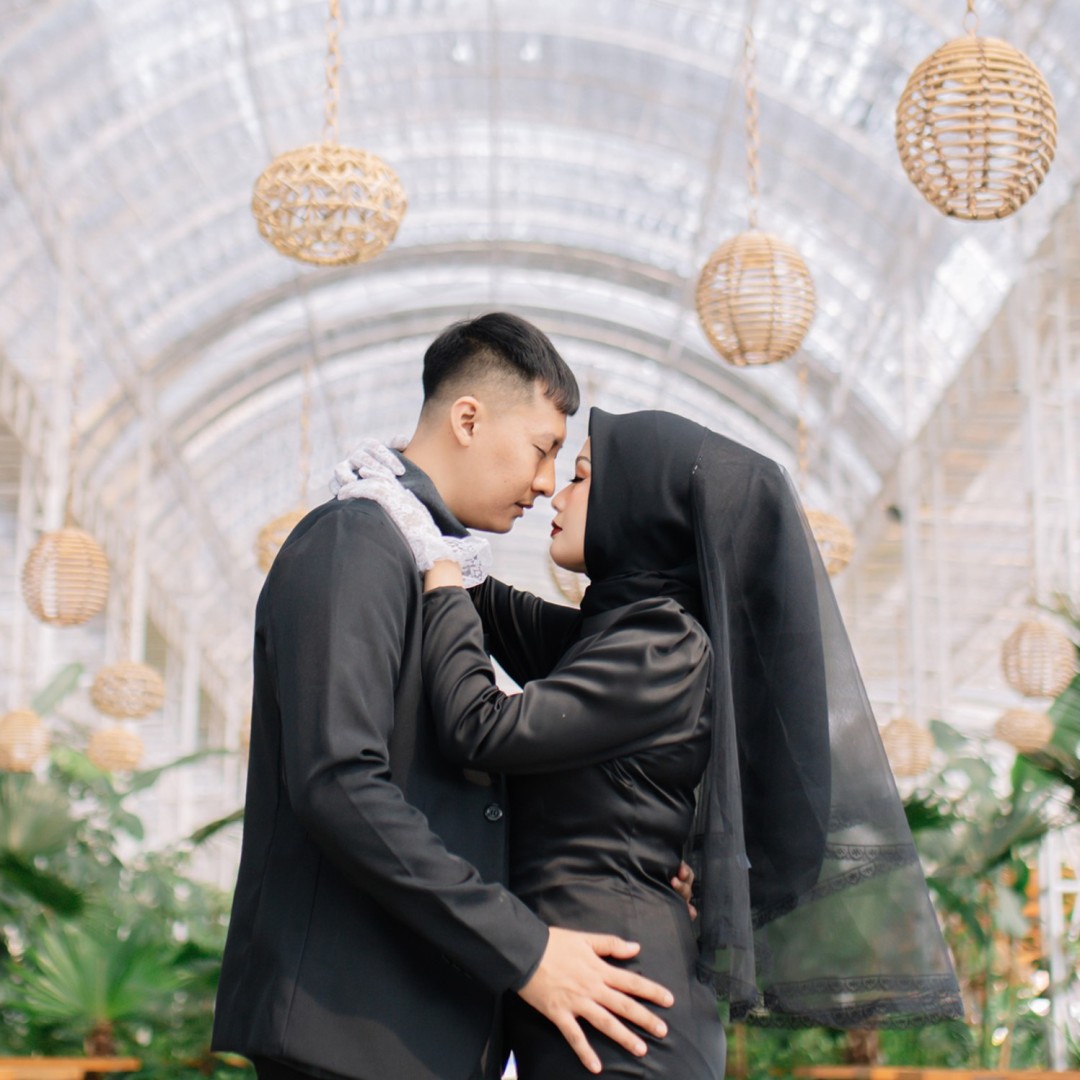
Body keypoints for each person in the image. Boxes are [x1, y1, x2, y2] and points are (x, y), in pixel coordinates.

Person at [357, 407, 965, 1077]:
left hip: (622, 1004)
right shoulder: (618, 634)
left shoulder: (661, 646)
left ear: (640, 503)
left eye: (580, 477)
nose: (555, 495)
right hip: (600, 991)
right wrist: (422, 490)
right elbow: (491, 609)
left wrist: (440, 570)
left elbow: (480, 725)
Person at [212, 317, 685, 1080]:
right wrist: (527, 951)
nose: (546, 483)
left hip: (418, 1031)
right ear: (468, 419)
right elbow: (339, 782)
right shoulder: (356, 539)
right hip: (349, 1031)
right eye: (543, 449)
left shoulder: (436, 562)